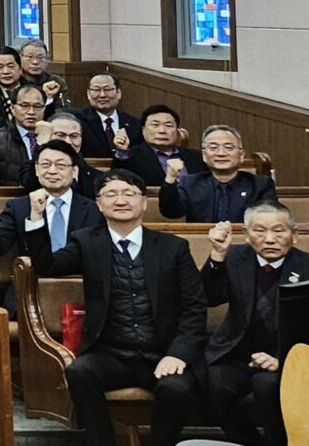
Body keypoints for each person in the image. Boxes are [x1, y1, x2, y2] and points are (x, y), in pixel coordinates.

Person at [24, 171, 206, 446]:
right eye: (111, 194)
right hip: (111, 354)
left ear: (143, 202)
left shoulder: (173, 247)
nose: (120, 200)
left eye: (129, 194)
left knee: (177, 388)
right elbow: (47, 265)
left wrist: (178, 354)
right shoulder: (86, 241)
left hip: (161, 353)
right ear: (99, 204)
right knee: (79, 372)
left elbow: (195, 306)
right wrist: (37, 217)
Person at [200, 203, 309, 446]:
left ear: (294, 235)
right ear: (246, 234)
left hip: (285, 356)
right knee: (213, 381)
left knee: (266, 384)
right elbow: (209, 298)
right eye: (260, 231)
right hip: (237, 354)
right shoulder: (233, 257)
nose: (270, 239)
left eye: (279, 231)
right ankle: (248, 442)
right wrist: (218, 255)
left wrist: (280, 359)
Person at [0, 141, 95, 260]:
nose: (52, 171)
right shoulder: (18, 207)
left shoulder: (93, 209)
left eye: (60, 165)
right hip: (33, 272)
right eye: (45, 165)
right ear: (37, 169)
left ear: (74, 171)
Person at [160, 125, 279, 223]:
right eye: (213, 147)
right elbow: (172, 213)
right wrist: (170, 179)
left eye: (229, 147)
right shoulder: (190, 183)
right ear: (204, 156)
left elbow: (269, 220)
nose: (221, 153)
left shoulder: (260, 185)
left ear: (241, 155)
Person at [0, 84, 51, 187]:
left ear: (44, 109)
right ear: (12, 108)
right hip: (9, 195)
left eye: (37, 106)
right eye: (24, 106)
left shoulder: (54, 138)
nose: (31, 112)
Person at [117, 104, 206, 188]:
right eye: (155, 125)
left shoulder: (196, 157)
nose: (162, 131)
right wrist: (121, 151)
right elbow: (119, 178)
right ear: (143, 130)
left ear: (177, 131)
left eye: (168, 125)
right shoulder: (132, 156)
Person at [71, 72, 131, 160]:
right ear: (88, 94)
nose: (102, 95)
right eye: (96, 90)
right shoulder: (76, 120)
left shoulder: (134, 123)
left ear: (118, 92)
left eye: (108, 89)